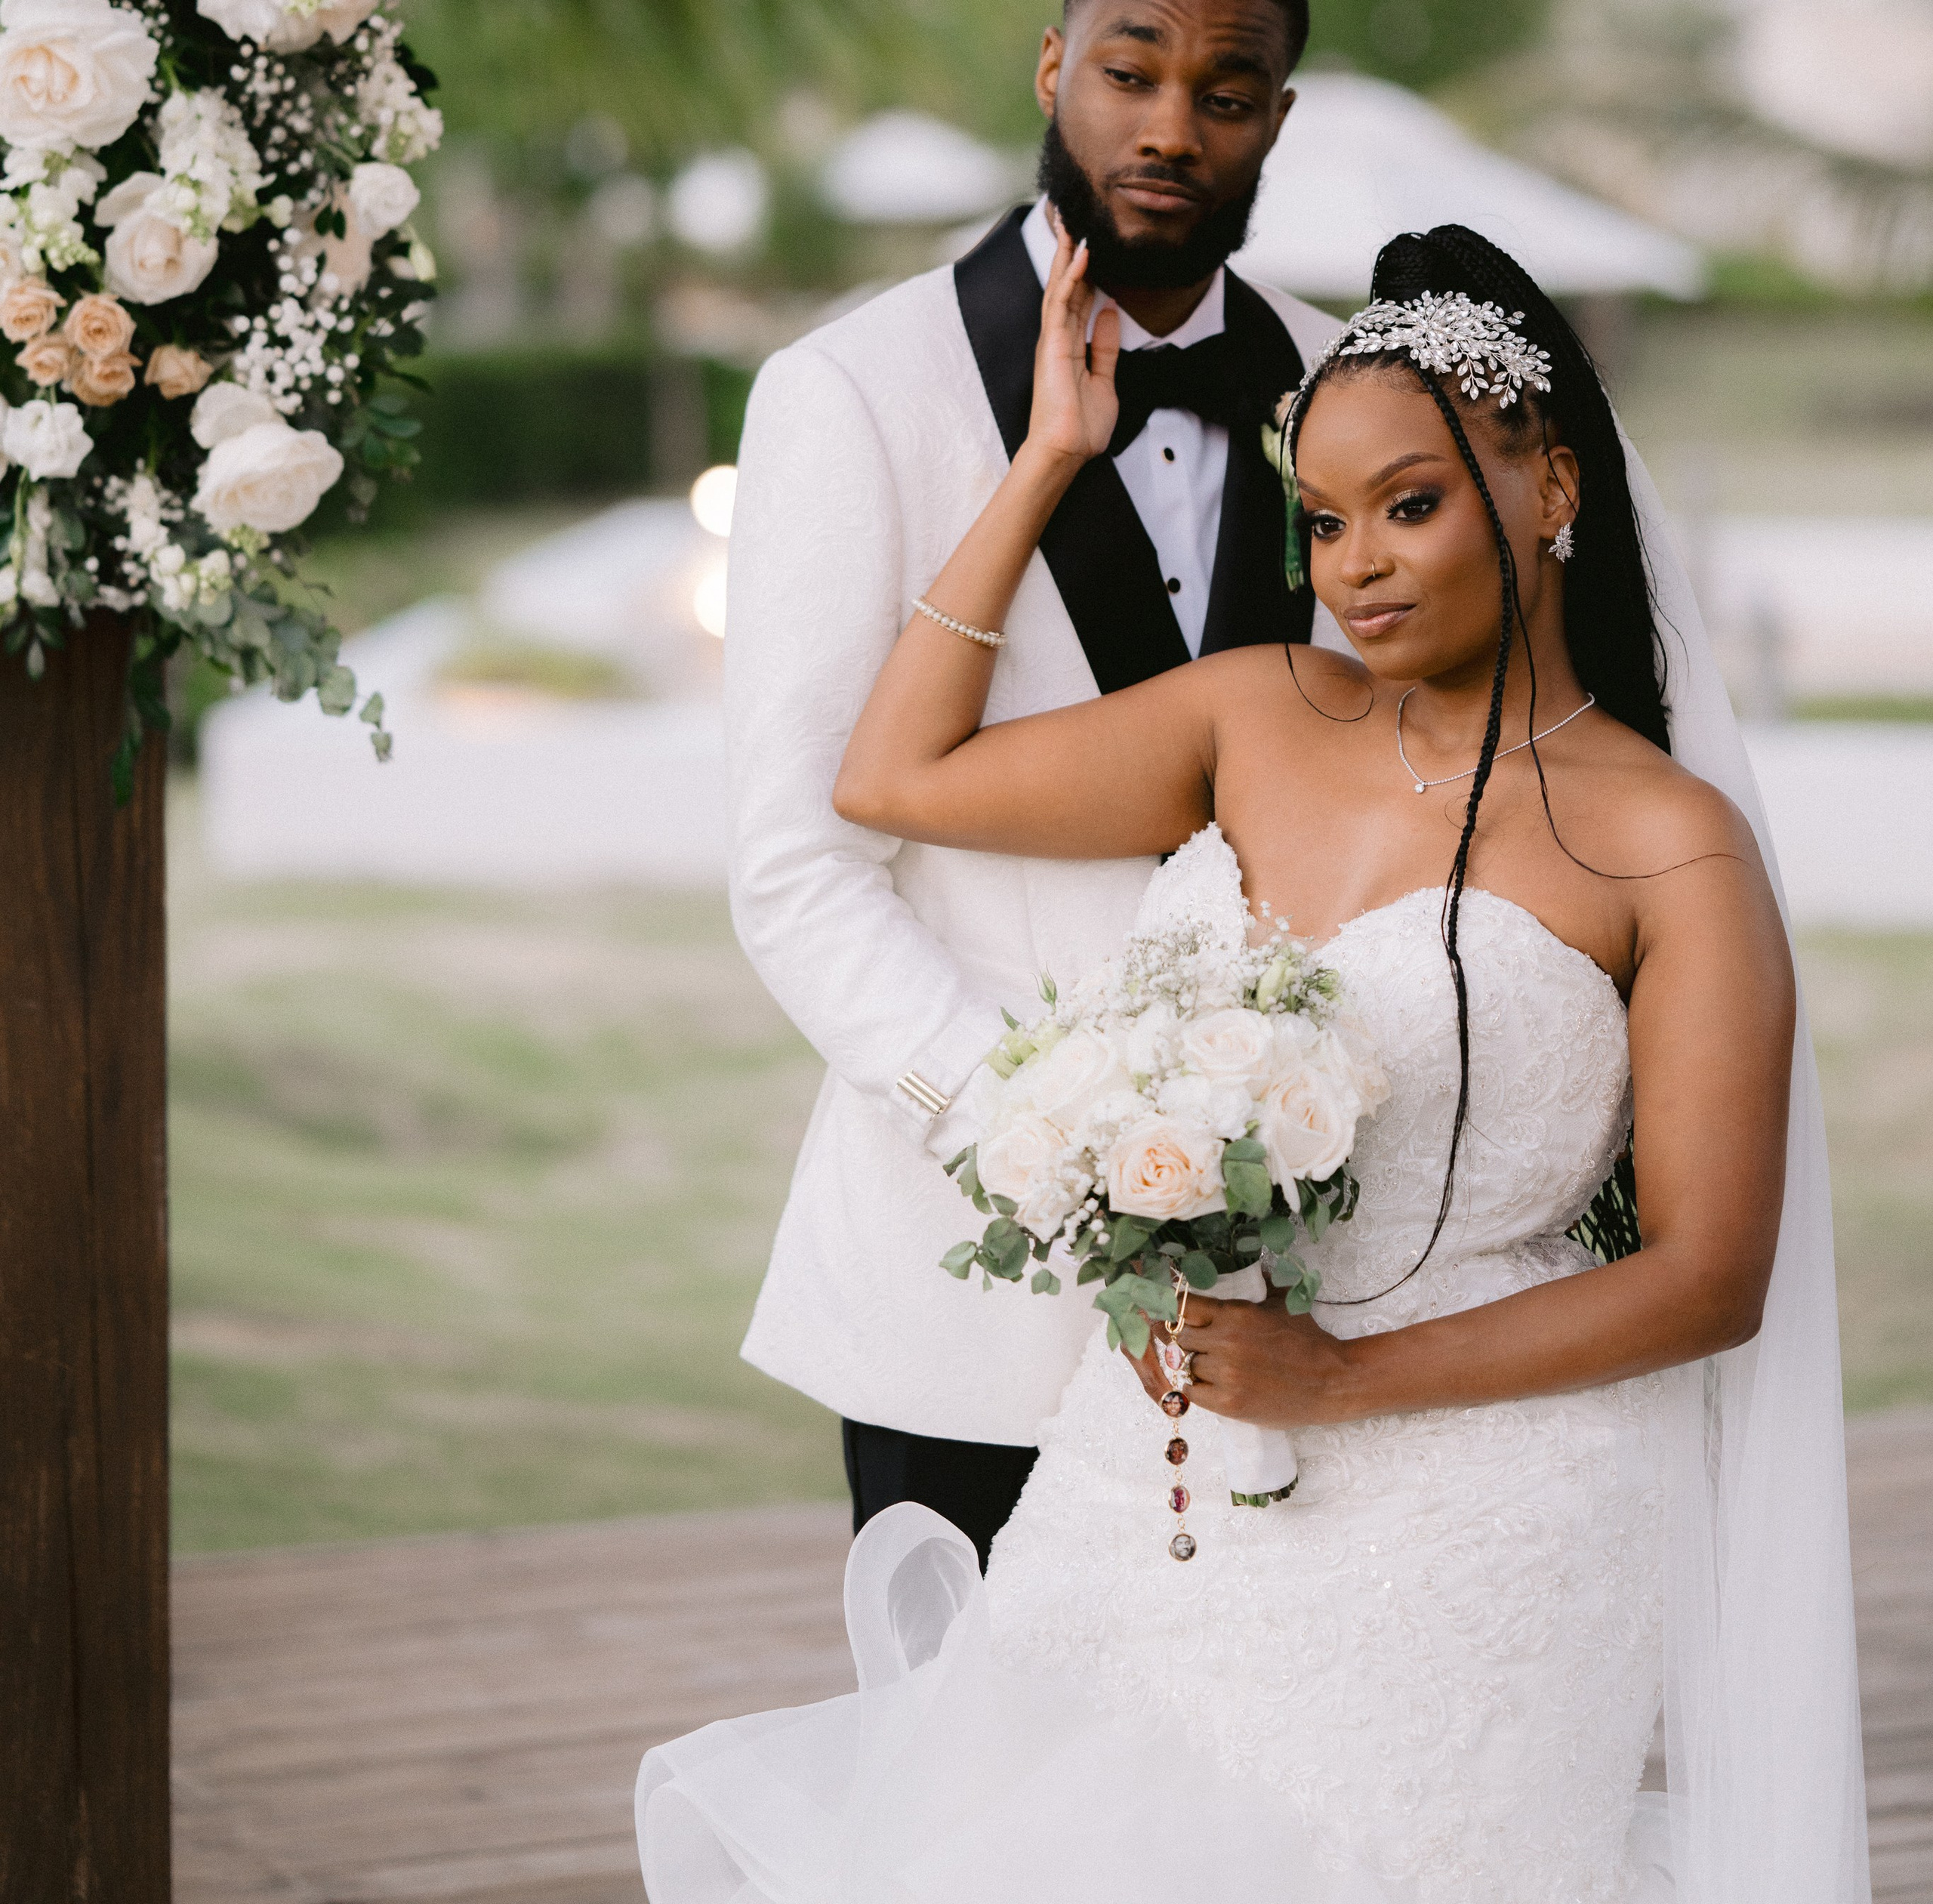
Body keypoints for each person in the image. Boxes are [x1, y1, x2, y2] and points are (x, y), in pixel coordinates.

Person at [641, 224, 1869, 1904]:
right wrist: (1045, 457)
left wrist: (1342, 1384)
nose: (1354, 562)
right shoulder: (1255, 711)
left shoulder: (1668, 849)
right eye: (1323, 517)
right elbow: (890, 771)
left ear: (1551, 488)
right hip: (1148, 1469)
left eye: (1410, 504)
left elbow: (1710, 1274)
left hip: (1480, 1514)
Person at [725, 0, 1340, 1568]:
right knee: (963, 1796)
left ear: (1275, 119)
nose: (1167, 125)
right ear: (1055, 67)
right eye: (1129, 71)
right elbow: (795, 867)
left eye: (1226, 92)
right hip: (965, 1281)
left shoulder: (1342, 391)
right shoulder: (852, 388)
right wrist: (1030, 1134)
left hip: (1299, 1283)